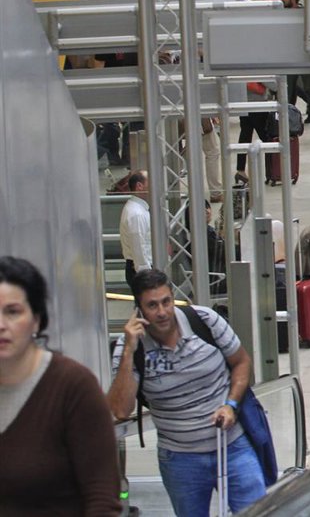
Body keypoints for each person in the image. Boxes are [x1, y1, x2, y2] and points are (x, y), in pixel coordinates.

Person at [107, 269, 266, 515]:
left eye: (166, 302)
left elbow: (242, 362)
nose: (161, 312)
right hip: (181, 460)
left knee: (259, 511)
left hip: (232, 447)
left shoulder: (205, 321)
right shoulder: (130, 347)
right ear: (138, 310)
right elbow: (119, 409)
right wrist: (129, 350)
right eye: (152, 305)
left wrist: (231, 405)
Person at [0, 257, 119, 516]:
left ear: (36, 319)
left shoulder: (73, 387)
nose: (1, 325)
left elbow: (103, 500)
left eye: (12, 311)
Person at [281, 0, 310, 123]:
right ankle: (290, 115)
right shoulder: (284, 14)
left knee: (308, 86)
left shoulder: (304, 14)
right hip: (291, 57)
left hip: (304, 56)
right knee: (290, 88)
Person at [118, 169, 153, 286]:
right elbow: (139, 247)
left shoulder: (138, 209)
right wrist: (147, 275)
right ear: (139, 186)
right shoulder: (136, 213)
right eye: (151, 181)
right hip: (140, 270)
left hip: (140, 268)